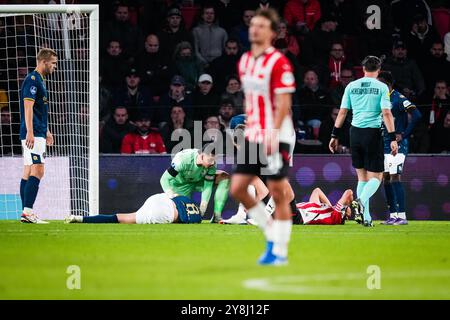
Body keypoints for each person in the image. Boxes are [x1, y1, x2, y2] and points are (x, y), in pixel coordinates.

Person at [230, 8, 297, 266]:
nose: (254, 29)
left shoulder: (279, 62)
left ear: (271, 32)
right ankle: (270, 231)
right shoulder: (245, 60)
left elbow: (283, 103)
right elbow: (252, 100)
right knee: (237, 187)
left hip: (275, 134)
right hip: (253, 132)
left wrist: (273, 132)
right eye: (252, 24)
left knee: (278, 192)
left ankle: (278, 250)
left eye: (260, 26)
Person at [329, 55, 398, 227]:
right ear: (379, 70)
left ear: (363, 69)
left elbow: (343, 112)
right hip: (372, 133)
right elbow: (387, 113)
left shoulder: (351, 86)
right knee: (377, 176)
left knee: (362, 177)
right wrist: (392, 137)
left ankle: (365, 218)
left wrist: (334, 135)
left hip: (355, 133)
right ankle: (360, 202)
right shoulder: (381, 87)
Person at [377, 71, 422, 226]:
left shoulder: (399, 98)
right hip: (383, 144)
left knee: (395, 176)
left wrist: (403, 134)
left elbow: (417, 115)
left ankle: (402, 216)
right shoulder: (380, 99)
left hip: (397, 144)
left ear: (387, 84)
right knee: (386, 178)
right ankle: (393, 215)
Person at [19, 48, 57, 224]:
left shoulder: (40, 81)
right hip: (33, 133)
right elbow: (28, 106)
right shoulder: (32, 80)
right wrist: (31, 132)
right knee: (38, 170)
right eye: (53, 63)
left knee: (28, 170)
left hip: (38, 131)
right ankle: (28, 212)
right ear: (44, 62)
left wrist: (47, 130)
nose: (55, 67)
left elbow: (38, 110)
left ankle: (25, 212)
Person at [160, 146, 230, 223]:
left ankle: (217, 216)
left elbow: (208, 186)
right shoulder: (183, 160)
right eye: (210, 160)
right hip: (179, 186)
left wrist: (203, 207)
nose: (213, 163)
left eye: (214, 160)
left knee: (224, 177)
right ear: (202, 155)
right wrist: (172, 195)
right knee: (180, 217)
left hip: (198, 182)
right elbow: (164, 179)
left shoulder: (211, 166)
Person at [65, 193, 202, 224]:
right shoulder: (196, 219)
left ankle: (80, 217)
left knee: (119, 217)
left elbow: (174, 194)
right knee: (122, 219)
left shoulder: (185, 198)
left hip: (158, 198)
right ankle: (79, 219)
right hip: (166, 214)